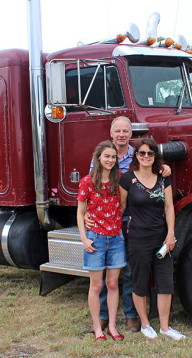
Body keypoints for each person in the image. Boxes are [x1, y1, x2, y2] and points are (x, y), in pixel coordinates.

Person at [86, 116, 171, 332]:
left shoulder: (139, 154)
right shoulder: (103, 156)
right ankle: (103, 316)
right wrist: (87, 213)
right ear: (111, 133)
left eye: (125, 131)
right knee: (105, 271)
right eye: (118, 131)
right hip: (109, 223)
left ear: (131, 133)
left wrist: (164, 167)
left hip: (133, 224)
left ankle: (131, 314)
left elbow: (151, 168)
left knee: (132, 271)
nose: (121, 135)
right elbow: (92, 189)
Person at [119, 138, 185, 341]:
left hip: (162, 239)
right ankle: (145, 325)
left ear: (155, 156)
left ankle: (165, 327)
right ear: (136, 155)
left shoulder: (163, 178)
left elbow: (169, 207)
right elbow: (120, 208)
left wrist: (170, 234)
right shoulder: (127, 179)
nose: (146, 156)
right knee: (139, 282)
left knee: (165, 283)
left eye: (150, 153)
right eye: (142, 153)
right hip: (138, 239)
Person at [77, 140, 127, 341]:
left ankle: (112, 327)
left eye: (113, 157)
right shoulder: (87, 182)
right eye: (106, 156)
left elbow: (122, 205)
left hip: (116, 238)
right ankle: (98, 327)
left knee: (113, 283)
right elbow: (80, 213)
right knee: (96, 286)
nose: (110, 160)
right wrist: (84, 239)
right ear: (98, 158)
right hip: (95, 238)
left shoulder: (120, 180)